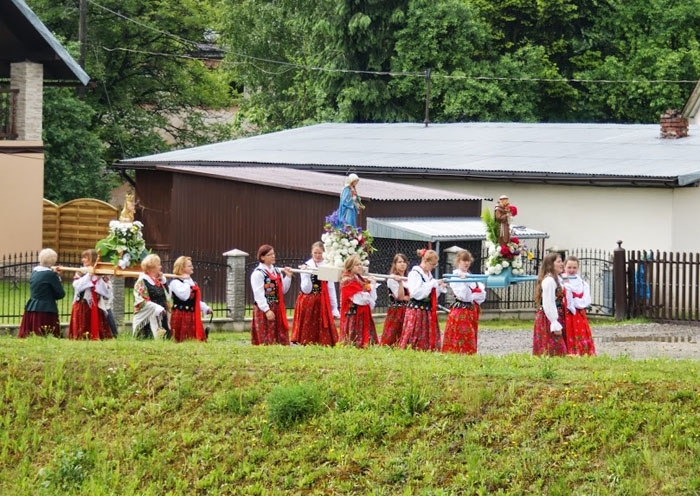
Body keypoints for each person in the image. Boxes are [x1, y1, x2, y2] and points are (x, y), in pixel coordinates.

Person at [291, 241, 339, 346]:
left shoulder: (327, 266)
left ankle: (322, 342)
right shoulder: (307, 265)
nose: (317, 255)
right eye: (315, 253)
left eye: (320, 253)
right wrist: (305, 274)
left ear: (324, 253)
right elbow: (306, 289)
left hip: (322, 300)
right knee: (308, 323)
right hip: (308, 301)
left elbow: (331, 288)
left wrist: (334, 308)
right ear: (311, 253)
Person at [399, 249, 447, 351]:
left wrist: (438, 286)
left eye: (435, 265)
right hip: (417, 310)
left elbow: (431, 293)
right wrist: (432, 284)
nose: (433, 267)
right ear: (425, 261)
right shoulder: (415, 273)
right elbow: (415, 292)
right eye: (432, 264)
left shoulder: (429, 275)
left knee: (427, 335)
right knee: (415, 334)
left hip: (427, 310)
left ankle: (428, 350)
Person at [442, 250, 486, 354]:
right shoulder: (455, 276)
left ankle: (468, 355)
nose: (466, 263)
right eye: (464, 260)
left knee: (470, 335)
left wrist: (471, 287)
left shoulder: (470, 275)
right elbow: (464, 295)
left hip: (471, 310)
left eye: (468, 261)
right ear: (458, 261)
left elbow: (481, 294)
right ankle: (457, 354)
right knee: (460, 334)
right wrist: (470, 286)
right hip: (461, 309)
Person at [250, 244, 294, 345]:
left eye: (273, 254)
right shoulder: (258, 273)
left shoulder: (277, 271)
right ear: (262, 257)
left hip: (277, 307)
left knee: (280, 337)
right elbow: (259, 294)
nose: (273, 256)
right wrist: (267, 310)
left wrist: (288, 277)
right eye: (269, 255)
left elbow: (282, 290)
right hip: (265, 309)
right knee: (266, 337)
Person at [17, 248, 66, 338]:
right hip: (46, 310)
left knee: (31, 336)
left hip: (32, 307)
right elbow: (60, 294)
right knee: (46, 335)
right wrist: (57, 277)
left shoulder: (35, 272)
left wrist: (55, 275)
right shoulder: (51, 275)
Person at [67, 248, 114, 340]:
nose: (83, 260)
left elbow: (106, 291)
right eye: (83, 257)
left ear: (92, 259)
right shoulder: (80, 271)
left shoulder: (102, 273)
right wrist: (89, 276)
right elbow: (77, 286)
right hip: (82, 303)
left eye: (85, 258)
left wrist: (97, 278)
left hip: (96, 304)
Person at [532, 252, 568, 356]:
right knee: (554, 347)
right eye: (559, 262)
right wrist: (554, 322)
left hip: (555, 315)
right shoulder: (549, 281)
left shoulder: (557, 279)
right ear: (550, 264)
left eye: (561, 261)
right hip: (548, 317)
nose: (562, 264)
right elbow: (548, 303)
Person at [339, 254, 379, 347]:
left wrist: (370, 286)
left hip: (362, 312)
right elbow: (359, 299)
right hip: (353, 312)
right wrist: (371, 286)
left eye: (360, 264)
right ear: (350, 266)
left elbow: (367, 294)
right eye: (357, 265)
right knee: (353, 340)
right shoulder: (347, 280)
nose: (360, 266)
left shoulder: (359, 278)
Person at [169, 256, 211, 342]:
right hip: (181, 314)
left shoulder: (190, 281)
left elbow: (195, 300)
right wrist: (186, 281)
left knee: (192, 339)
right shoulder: (175, 282)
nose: (192, 267)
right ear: (182, 268)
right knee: (180, 340)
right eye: (189, 266)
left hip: (191, 314)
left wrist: (205, 308)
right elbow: (184, 296)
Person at [562, 256, 596, 355]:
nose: (572, 270)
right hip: (563, 313)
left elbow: (586, 300)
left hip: (578, 313)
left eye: (574, 267)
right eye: (569, 267)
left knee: (580, 332)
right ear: (564, 267)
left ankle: (581, 351)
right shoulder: (561, 280)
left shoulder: (582, 283)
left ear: (578, 268)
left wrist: (575, 303)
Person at [132, 254, 171, 339]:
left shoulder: (157, 280)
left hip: (161, 316)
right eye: (159, 265)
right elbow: (141, 301)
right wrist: (156, 307)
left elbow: (167, 296)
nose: (161, 267)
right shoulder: (142, 281)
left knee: (164, 341)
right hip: (149, 318)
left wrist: (163, 281)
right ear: (152, 267)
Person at [379, 253, 410, 346]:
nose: (402, 264)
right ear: (395, 264)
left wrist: (409, 297)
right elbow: (400, 297)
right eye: (399, 262)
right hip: (397, 310)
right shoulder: (392, 278)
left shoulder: (409, 278)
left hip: (408, 309)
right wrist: (400, 283)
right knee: (393, 334)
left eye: (404, 262)